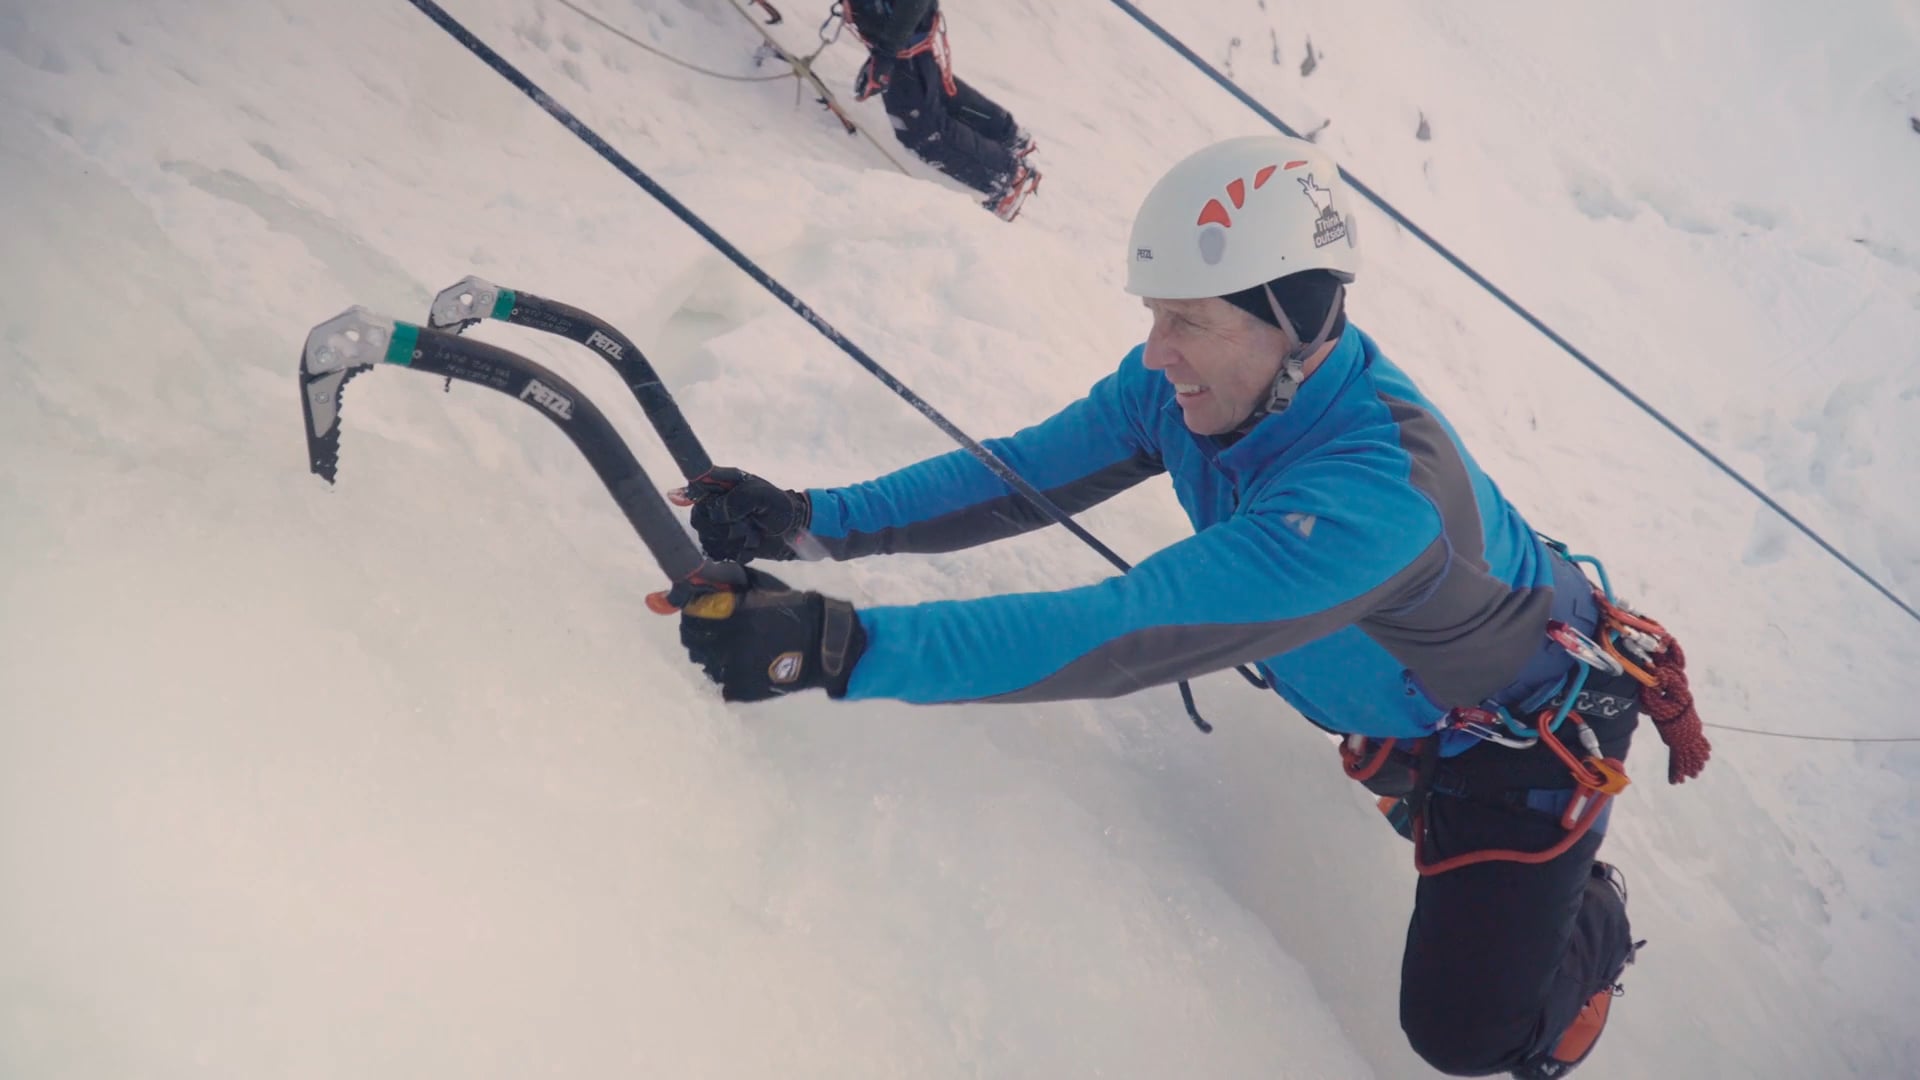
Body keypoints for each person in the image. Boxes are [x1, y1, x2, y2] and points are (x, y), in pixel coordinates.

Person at [666, 135, 1663, 1077]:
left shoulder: (1376, 497)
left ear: (1298, 326)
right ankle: (1416, 774)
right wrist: (809, 520)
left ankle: (1590, 918)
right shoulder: (1199, 391)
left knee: (1466, 1033)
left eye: (1189, 321)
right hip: (1404, 681)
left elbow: (1121, 631)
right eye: (1156, 313)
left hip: (1524, 729)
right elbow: (1017, 477)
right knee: (1407, 783)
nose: (1156, 352)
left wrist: (838, 648)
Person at [843, 0, 1040, 221]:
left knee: (923, 131)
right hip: (898, 29)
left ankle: (1007, 177)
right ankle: (1006, 137)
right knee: (932, 92)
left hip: (899, 34)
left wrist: (886, 54)